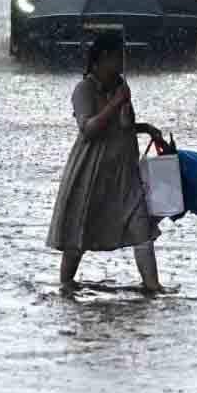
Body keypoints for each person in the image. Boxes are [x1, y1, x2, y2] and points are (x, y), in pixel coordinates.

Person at [47, 32, 167, 292]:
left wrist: (145, 127)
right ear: (101, 59)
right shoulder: (84, 89)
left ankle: (153, 285)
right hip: (92, 171)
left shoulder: (121, 87)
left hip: (124, 171)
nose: (122, 63)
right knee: (80, 230)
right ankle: (65, 284)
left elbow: (121, 127)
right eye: (116, 57)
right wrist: (115, 103)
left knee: (141, 228)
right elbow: (89, 128)